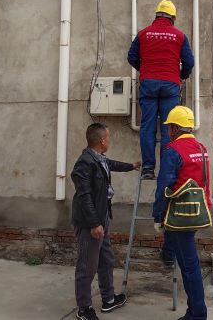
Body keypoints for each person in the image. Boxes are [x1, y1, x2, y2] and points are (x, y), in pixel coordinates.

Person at [71, 123, 141, 320]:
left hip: (102, 217)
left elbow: (111, 165)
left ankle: (109, 299)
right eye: (108, 137)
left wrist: (131, 166)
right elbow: (84, 196)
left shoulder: (99, 158)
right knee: (87, 266)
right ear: (102, 141)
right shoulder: (84, 163)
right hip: (89, 222)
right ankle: (83, 309)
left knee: (106, 259)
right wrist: (94, 224)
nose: (109, 140)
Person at [153, 106, 211, 320]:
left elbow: (163, 187)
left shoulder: (172, 150)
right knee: (179, 250)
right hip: (198, 211)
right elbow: (204, 181)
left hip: (180, 215)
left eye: (169, 127)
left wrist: (158, 216)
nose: (168, 131)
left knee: (189, 267)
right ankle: (168, 254)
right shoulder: (201, 147)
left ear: (175, 128)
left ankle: (197, 314)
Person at [127, 0, 195, 180]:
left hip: (148, 84)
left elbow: (131, 57)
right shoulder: (179, 36)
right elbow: (189, 62)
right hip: (171, 86)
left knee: (147, 126)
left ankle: (148, 168)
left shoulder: (143, 34)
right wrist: (182, 75)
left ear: (156, 15)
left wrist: (144, 69)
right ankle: (166, 168)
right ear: (173, 17)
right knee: (168, 128)